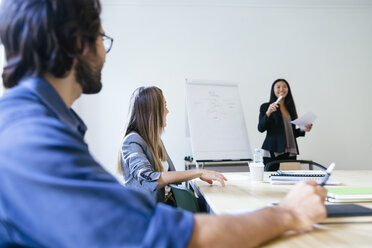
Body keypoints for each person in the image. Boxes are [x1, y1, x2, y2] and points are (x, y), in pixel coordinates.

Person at [0, 0, 327, 247]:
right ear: (77, 42)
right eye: (101, 37)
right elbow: (154, 234)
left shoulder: (42, 123)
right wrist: (287, 214)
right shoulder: (30, 137)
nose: (104, 50)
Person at [118, 86, 227, 204]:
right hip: (150, 214)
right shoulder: (131, 141)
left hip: (169, 205)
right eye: (164, 106)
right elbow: (149, 178)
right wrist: (198, 172)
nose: (167, 111)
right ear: (152, 111)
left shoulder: (156, 140)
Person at [258, 79, 313, 171]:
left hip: (290, 151)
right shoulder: (266, 106)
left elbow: (290, 133)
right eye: (278, 87)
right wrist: (268, 112)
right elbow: (261, 128)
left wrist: (303, 129)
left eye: (284, 86)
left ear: (288, 89)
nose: (281, 89)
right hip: (273, 150)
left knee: (290, 181)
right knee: (271, 180)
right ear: (273, 90)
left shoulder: (290, 108)